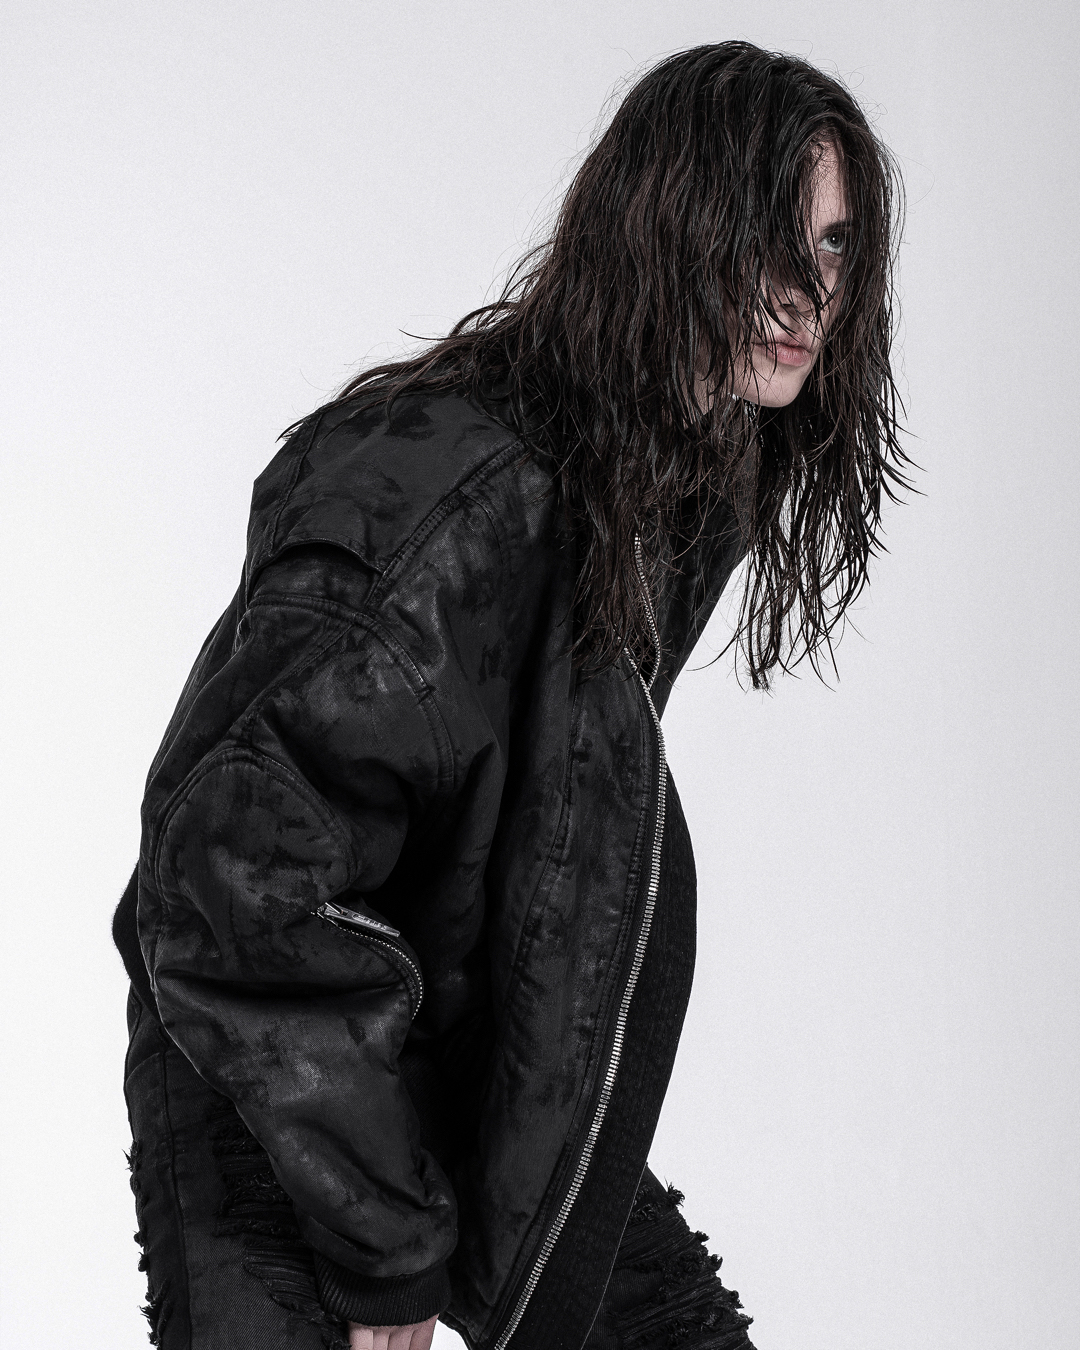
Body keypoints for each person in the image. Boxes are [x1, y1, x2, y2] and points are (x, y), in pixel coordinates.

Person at [113, 40, 907, 1350]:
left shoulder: (662, 470)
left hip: (460, 1050)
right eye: (767, 236)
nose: (803, 291)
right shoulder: (461, 503)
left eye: (830, 247)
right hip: (274, 1067)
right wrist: (382, 1237)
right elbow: (232, 884)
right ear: (666, 227)